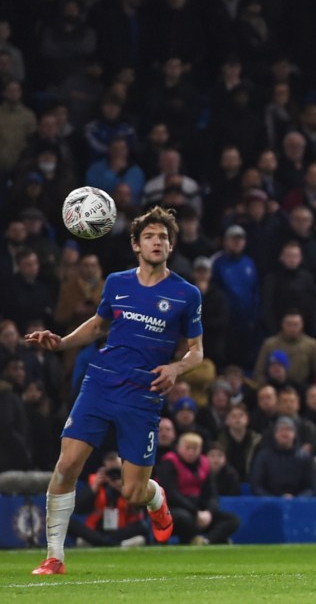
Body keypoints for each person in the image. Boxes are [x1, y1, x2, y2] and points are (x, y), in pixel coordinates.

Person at [26, 206, 204, 574]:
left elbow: (197, 351)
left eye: (164, 237)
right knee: (67, 465)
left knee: (133, 493)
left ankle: (157, 498)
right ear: (136, 244)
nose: (158, 242)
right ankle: (54, 556)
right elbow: (98, 325)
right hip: (101, 382)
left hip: (143, 394)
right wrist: (61, 343)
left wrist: (175, 366)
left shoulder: (186, 294)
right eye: (150, 236)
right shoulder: (117, 283)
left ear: (171, 246)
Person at [152, 432, 241, 545]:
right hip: (173, 509)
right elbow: (171, 494)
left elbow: (212, 494)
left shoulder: (204, 464)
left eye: (195, 449)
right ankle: (199, 540)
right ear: (179, 447)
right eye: (188, 448)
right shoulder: (169, 463)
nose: (191, 452)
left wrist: (209, 512)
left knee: (232, 520)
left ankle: (206, 541)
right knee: (184, 518)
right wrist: (195, 512)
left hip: (199, 510)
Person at [66, 451, 150, 548]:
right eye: (111, 472)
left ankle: (103, 543)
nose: (114, 475)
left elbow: (141, 509)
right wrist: (94, 488)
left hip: (121, 530)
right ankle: (116, 545)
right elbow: (79, 509)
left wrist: (122, 489)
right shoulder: (95, 481)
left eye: (117, 471)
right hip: (97, 530)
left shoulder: (130, 483)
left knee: (142, 526)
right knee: (69, 523)